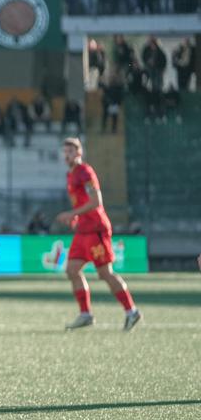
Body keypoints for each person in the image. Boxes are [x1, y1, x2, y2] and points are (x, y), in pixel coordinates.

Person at [55, 138, 141, 331]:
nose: (67, 155)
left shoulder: (85, 172)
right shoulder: (70, 175)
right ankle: (85, 314)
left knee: (105, 273)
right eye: (65, 151)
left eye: (71, 151)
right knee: (72, 270)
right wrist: (76, 217)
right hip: (83, 230)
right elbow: (82, 203)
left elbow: (96, 201)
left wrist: (72, 213)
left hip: (96, 230)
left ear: (79, 153)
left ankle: (131, 311)